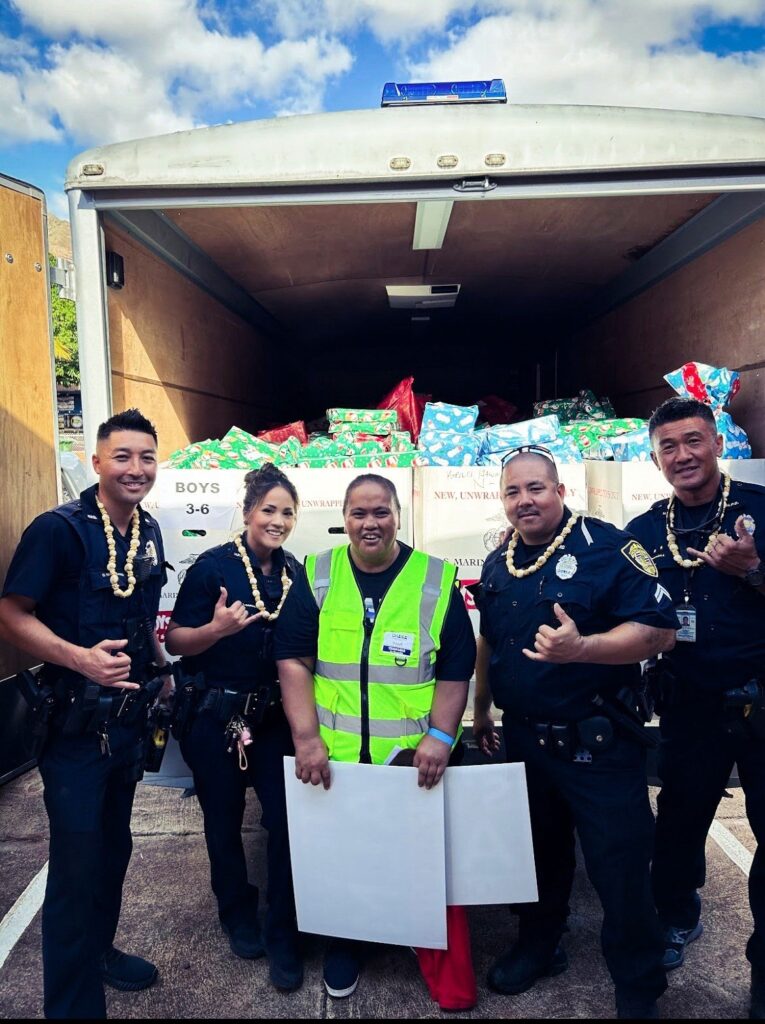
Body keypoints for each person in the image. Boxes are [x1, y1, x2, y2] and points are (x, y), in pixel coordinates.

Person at [471, 446, 677, 1020]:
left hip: (598, 746)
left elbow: (659, 633)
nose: (524, 500)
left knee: (621, 871)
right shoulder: (499, 562)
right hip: (526, 743)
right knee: (537, 857)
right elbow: (491, 642)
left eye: (535, 488)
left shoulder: (607, 549)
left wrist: (582, 648)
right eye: (513, 491)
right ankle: (540, 946)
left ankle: (638, 986)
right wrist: (482, 709)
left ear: (560, 491)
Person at [274, 473, 476, 1003]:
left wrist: (440, 735)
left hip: (407, 757)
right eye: (359, 513)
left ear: (398, 515)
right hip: (337, 760)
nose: (370, 523)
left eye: (380, 512)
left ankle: (413, 936)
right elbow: (292, 658)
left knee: (414, 859)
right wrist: (306, 738)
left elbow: (456, 668)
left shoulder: (435, 579)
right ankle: (347, 943)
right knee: (345, 858)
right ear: (343, 518)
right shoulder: (317, 574)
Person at [0, 409, 170, 1020]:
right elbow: (12, 613)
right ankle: (71, 1007)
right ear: (96, 463)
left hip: (126, 724)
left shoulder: (146, 531)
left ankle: (99, 952)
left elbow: (141, 614)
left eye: (146, 457)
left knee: (115, 847)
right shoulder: (58, 531)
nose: (135, 468)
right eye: (122, 456)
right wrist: (80, 659)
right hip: (73, 730)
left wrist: (162, 670)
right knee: (75, 864)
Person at [627, 397, 765, 1017]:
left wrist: (755, 570)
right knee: (678, 825)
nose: (683, 456)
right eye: (668, 447)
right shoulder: (643, 532)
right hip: (689, 709)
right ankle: (676, 916)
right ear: (655, 460)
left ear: (716, 444)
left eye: (693, 441)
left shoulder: (758, 513)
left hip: (761, 705)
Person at [165, 464, 303, 992]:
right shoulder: (212, 567)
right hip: (214, 720)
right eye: (269, 509)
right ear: (247, 513)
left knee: (288, 821)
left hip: (271, 721)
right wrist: (215, 630)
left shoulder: (292, 570)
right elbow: (177, 641)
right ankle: (236, 914)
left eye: (287, 512)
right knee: (221, 824)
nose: (278, 520)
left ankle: (284, 928)